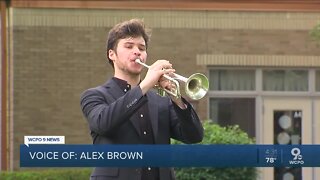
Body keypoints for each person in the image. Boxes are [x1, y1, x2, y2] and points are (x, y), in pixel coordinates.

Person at [80, 18, 204, 180]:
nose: (137, 52)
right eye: (129, 46)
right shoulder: (94, 96)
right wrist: (145, 85)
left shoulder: (161, 102)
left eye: (142, 48)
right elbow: (104, 124)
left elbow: (194, 136)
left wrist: (176, 98)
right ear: (112, 54)